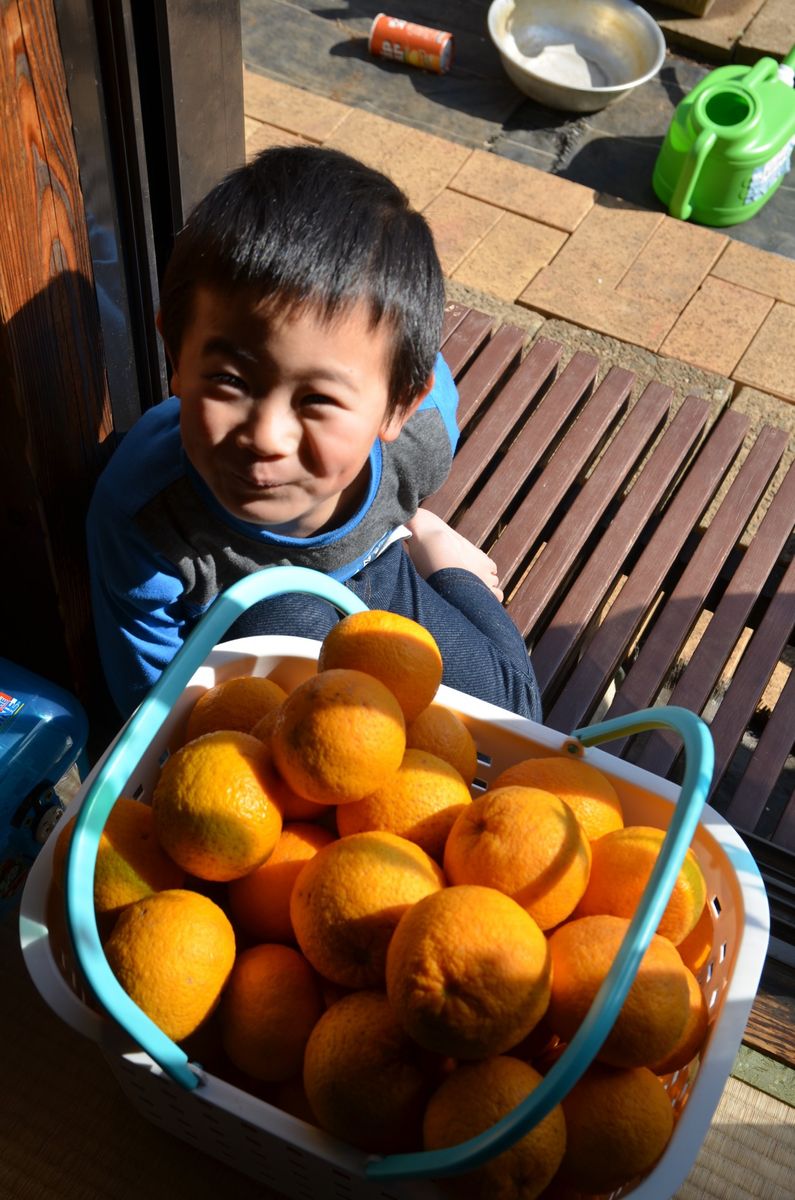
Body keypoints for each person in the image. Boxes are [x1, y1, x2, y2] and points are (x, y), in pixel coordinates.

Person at [87, 145, 541, 723]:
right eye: (230, 379)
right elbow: (154, 712)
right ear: (175, 356)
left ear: (398, 406)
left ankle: (433, 546)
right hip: (251, 630)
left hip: (378, 566)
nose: (266, 436)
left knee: (512, 717)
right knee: (290, 612)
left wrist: (437, 557)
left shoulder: (418, 440)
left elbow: (428, 378)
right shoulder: (144, 515)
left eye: (317, 399)